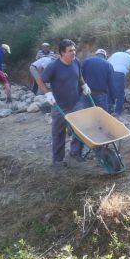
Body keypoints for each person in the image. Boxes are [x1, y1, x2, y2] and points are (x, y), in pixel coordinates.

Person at [40, 39, 91, 167]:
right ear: (62, 53)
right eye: (70, 51)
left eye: (74, 50)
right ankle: (58, 160)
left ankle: (75, 153)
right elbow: (41, 80)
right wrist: (47, 93)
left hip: (75, 102)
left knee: (80, 129)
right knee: (58, 132)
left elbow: (79, 76)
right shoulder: (54, 66)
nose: (73, 53)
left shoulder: (76, 62)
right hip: (59, 105)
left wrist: (84, 85)